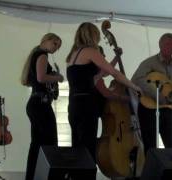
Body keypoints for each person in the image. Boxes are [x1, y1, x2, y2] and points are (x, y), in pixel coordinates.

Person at [65, 22, 141, 170]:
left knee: (78, 149)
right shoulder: (90, 51)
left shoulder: (73, 55)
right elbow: (114, 73)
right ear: (93, 35)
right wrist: (134, 87)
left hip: (74, 104)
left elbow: (101, 73)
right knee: (88, 149)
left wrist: (115, 58)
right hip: (87, 105)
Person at [21, 33, 64, 180]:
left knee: (37, 144)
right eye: (55, 44)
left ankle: (32, 176)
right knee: (49, 143)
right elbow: (41, 78)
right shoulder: (42, 55)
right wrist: (58, 77)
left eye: (58, 46)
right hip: (41, 104)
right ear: (46, 40)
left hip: (36, 104)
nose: (56, 48)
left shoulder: (37, 54)